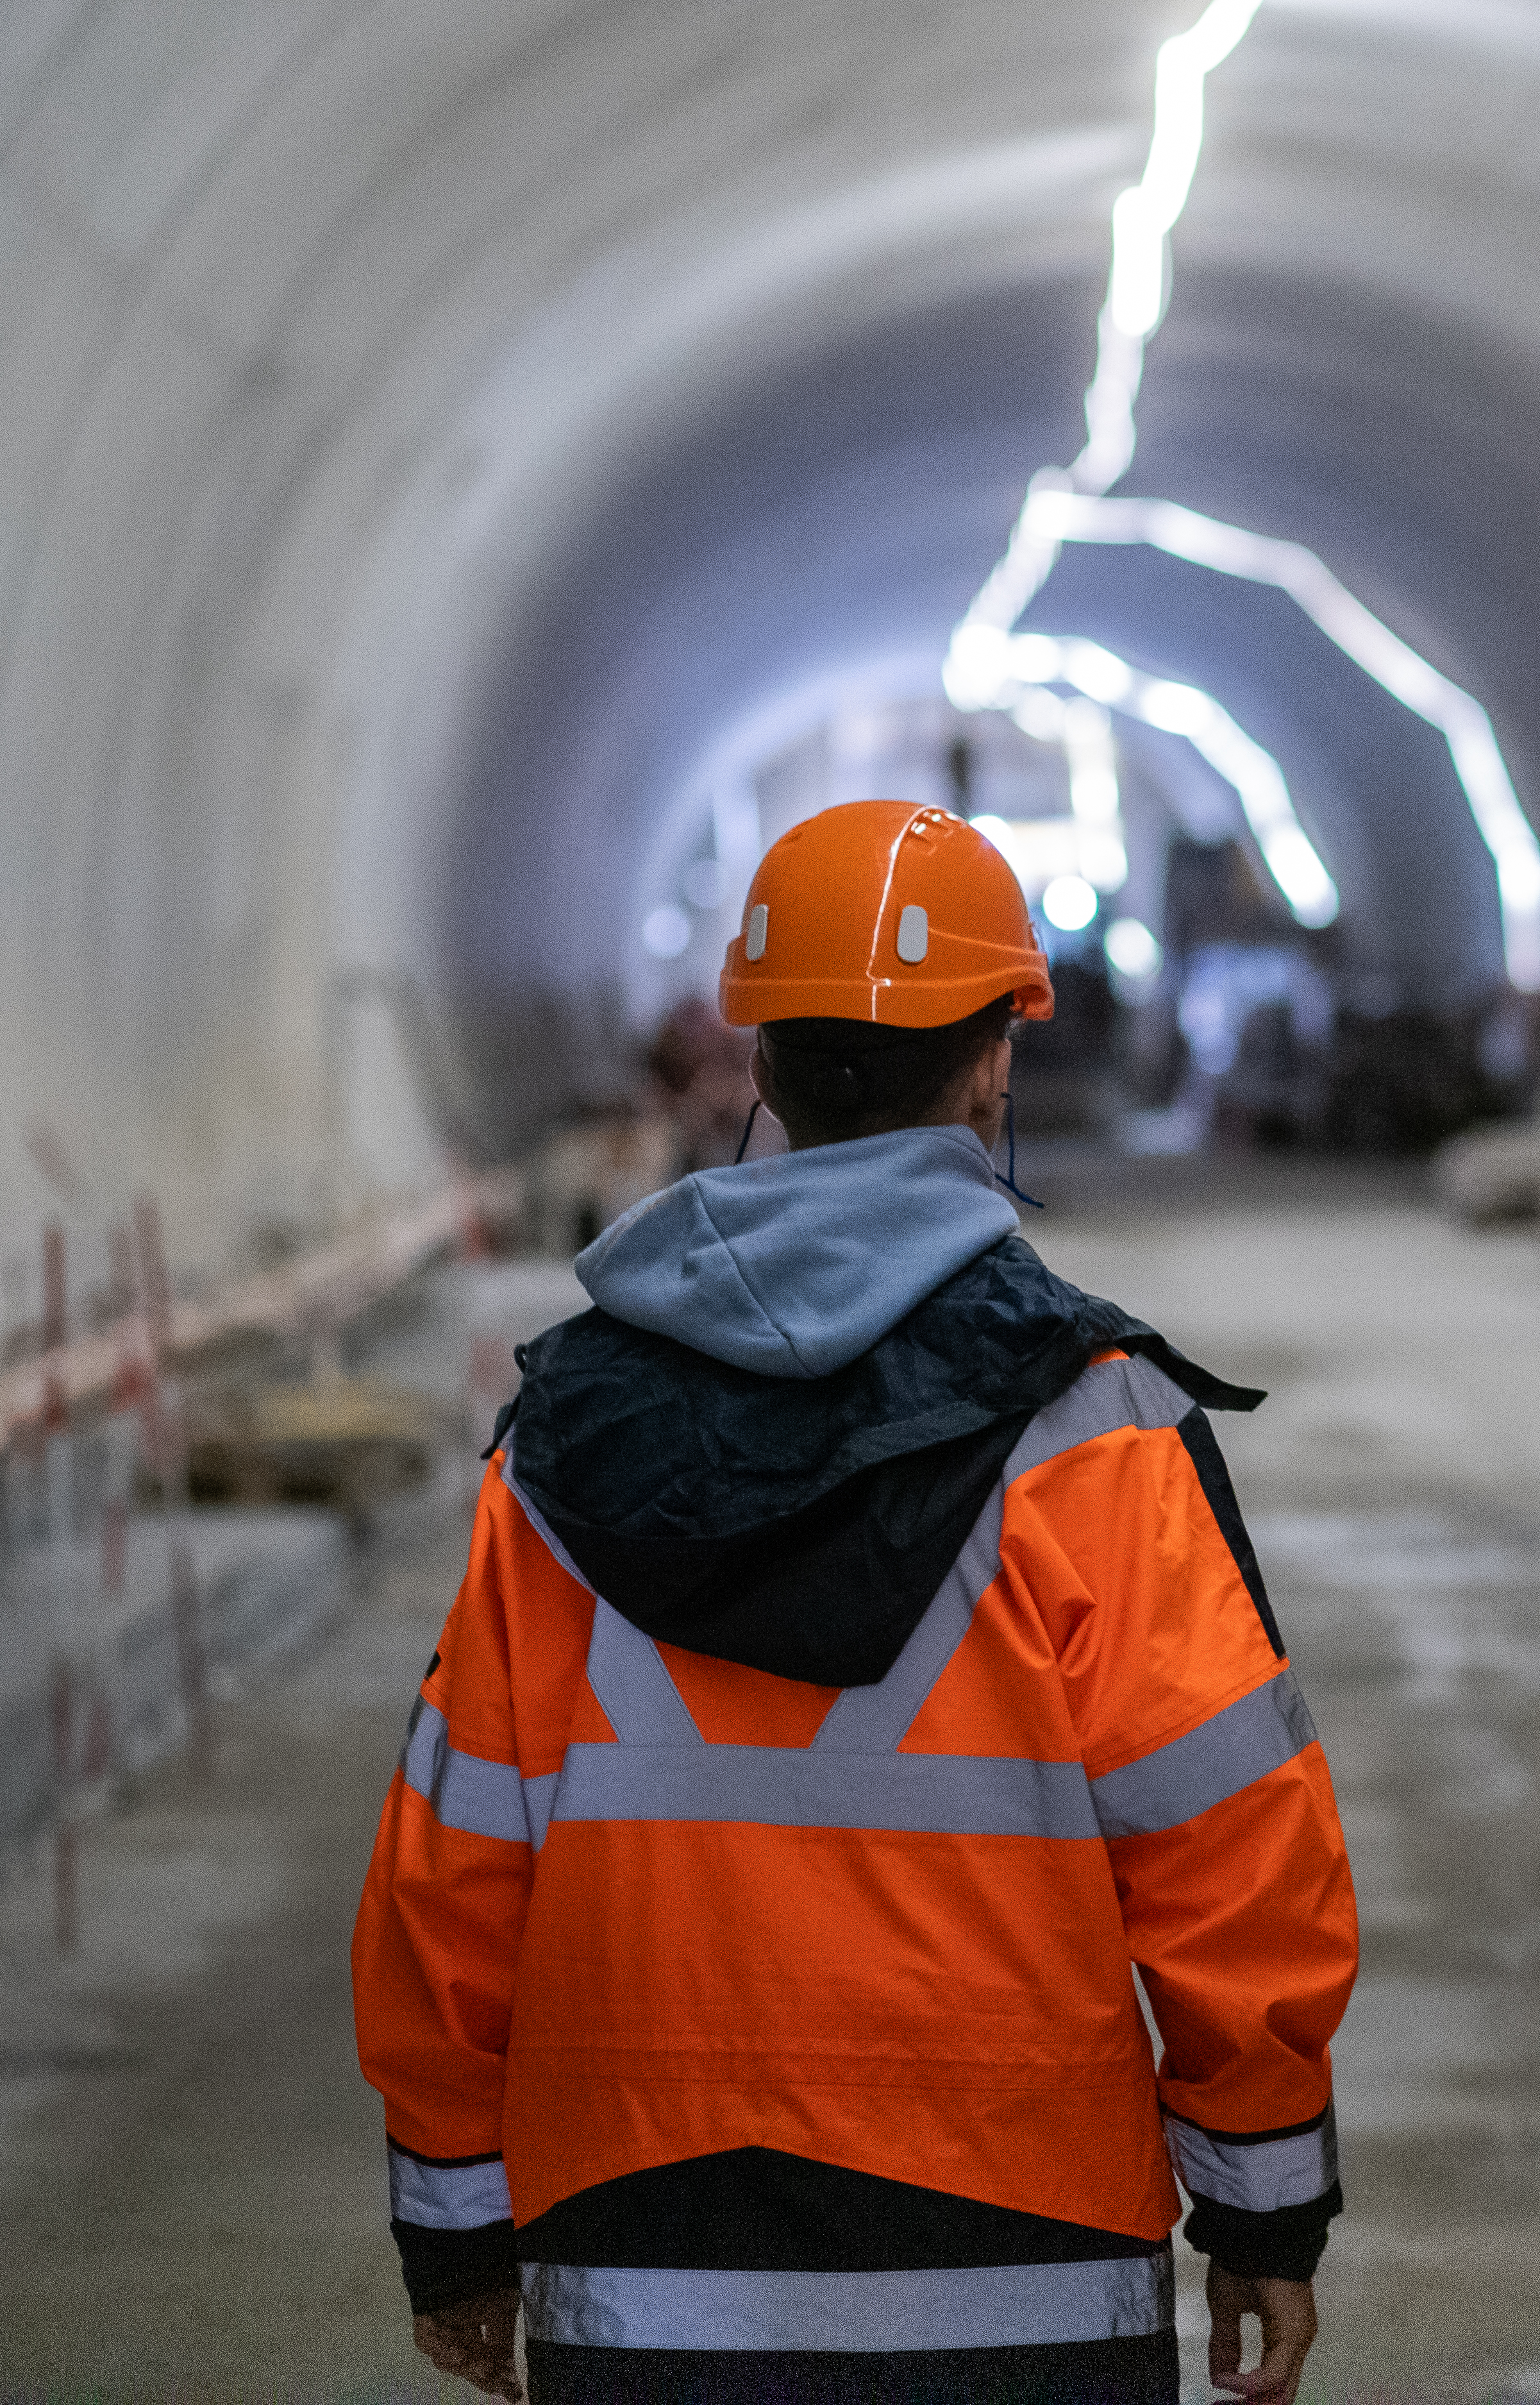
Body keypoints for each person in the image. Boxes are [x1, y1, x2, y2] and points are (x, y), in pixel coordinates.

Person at [355, 799, 1357, 2405]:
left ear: (754, 1065)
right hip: (1023, 2240)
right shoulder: (1091, 1427)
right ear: (992, 1067)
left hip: (641, 2249)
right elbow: (1231, 1851)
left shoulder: (560, 1446)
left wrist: (458, 2228)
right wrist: (1261, 2207)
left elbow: (451, 1870)